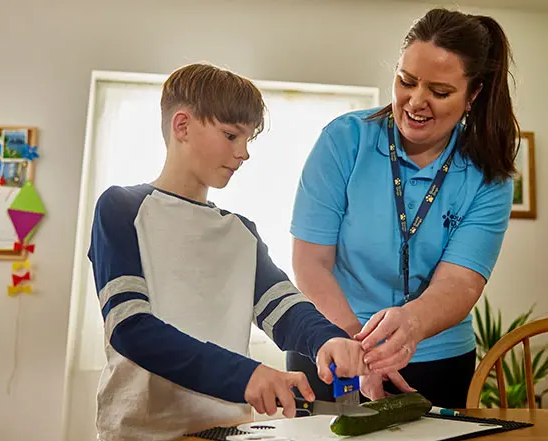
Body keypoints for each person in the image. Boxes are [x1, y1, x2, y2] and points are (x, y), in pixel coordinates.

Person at [88, 63, 371, 441]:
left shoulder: (240, 232)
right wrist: (244, 375)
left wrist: (329, 339)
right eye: (231, 135)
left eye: (248, 139)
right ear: (182, 126)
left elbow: (287, 311)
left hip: (230, 432)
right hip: (142, 432)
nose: (244, 153)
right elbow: (130, 328)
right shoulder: (121, 208)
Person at [288, 8, 518, 409]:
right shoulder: (345, 140)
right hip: (334, 347)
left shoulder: (488, 176)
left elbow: (460, 284)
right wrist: (354, 344)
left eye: (440, 92)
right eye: (406, 81)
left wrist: (410, 324)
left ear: (473, 95)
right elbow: (310, 262)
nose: (416, 102)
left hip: (437, 358)